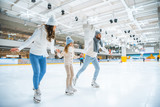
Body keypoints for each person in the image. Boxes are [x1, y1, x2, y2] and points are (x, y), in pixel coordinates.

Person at [10, 15, 57, 103]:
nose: (56, 27)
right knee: (37, 72)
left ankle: (36, 85)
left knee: (43, 71)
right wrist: (20, 48)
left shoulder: (51, 34)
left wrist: (54, 50)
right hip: (34, 54)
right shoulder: (39, 31)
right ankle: (36, 91)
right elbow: (30, 39)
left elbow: (51, 45)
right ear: (51, 26)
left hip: (42, 55)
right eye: (55, 26)